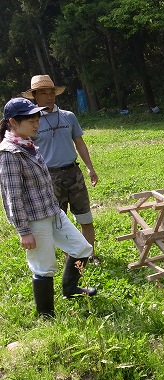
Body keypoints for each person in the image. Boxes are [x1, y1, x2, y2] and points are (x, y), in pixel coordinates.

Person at [0, 98, 97, 317]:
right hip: (35, 220)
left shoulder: (28, 144)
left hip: (53, 211)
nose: (36, 123)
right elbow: (12, 196)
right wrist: (24, 231)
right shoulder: (9, 153)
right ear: (13, 122)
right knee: (43, 266)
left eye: (37, 118)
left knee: (82, 248)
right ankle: (46, 313)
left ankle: (70, 289)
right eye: (30, 120)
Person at [21, 74, 101, 264]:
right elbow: (26, 153)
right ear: (35, 96)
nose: (49, 97)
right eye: (43, 93)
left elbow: (79, 142)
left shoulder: (68, 116)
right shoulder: (32, 122)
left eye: (51, 93)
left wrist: (90, 168)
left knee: (85, 217)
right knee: (58, 222)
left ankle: (89, 255)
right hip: (49, 177)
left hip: (74, 173)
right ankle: (71, 259)